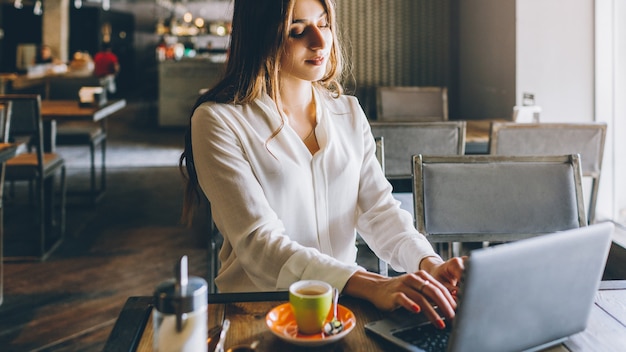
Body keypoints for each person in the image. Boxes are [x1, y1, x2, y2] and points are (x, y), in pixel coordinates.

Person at [179, 0, 464, 329]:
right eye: (296, 30)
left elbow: (379, 210)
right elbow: (259, 243)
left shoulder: (349, 113)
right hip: (259, 311)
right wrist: (371, 284)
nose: (319, 41)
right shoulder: (218, 120)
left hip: (342, 310)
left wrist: (427, 262)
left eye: (324, 23)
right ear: (260, 35)